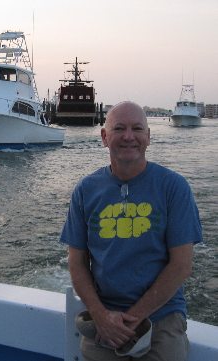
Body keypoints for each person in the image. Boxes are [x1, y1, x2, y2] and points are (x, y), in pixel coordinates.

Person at [60, 101, 202, 361]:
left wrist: (133, 319)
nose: (129, 136)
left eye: (137, 129)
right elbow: (77, 262)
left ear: (148, 137)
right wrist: (101, 317)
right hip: (104, 318)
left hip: (161, 316)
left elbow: (181, 265)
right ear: (104, 137)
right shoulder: (86, 190)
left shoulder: (174, 188)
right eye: (119, 128)